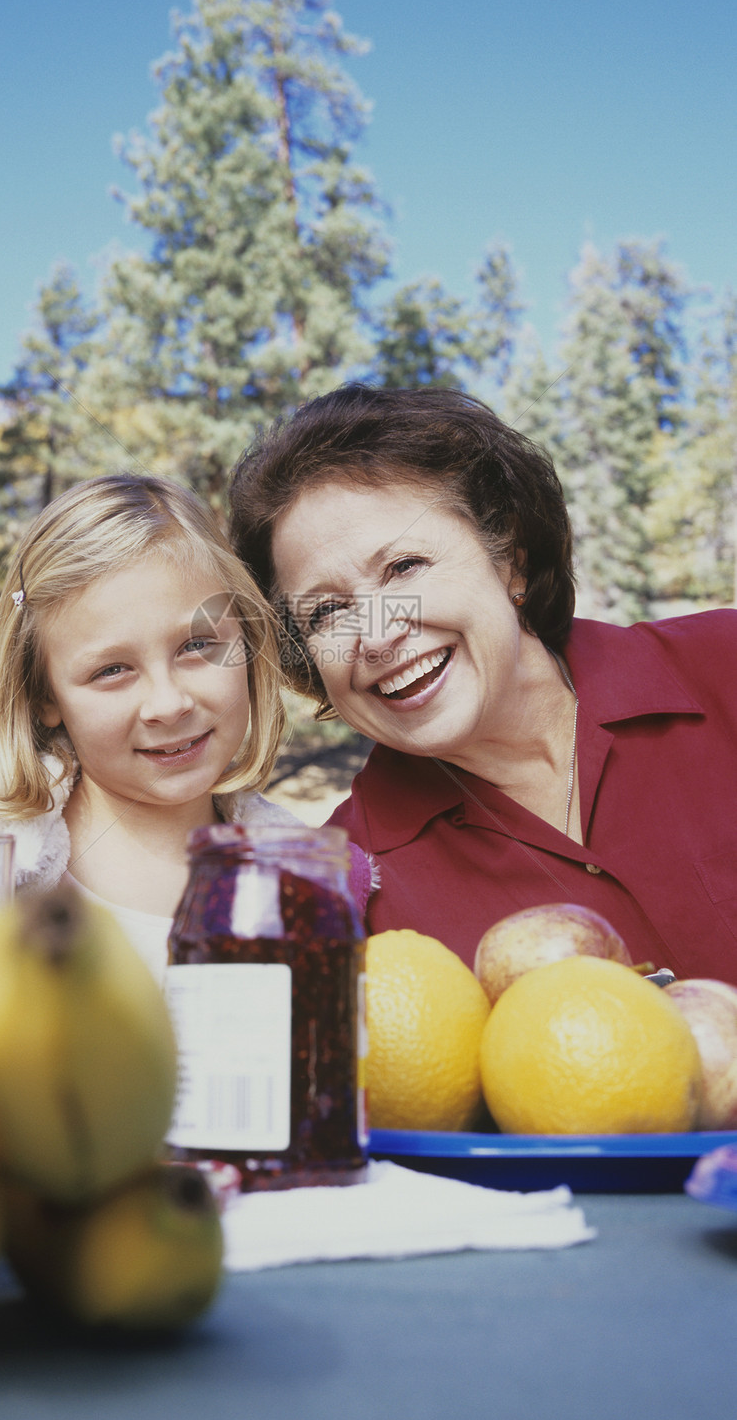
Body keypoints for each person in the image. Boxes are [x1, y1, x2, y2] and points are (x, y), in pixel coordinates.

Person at [228, 382, 737, 987]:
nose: (377, 635)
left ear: (509, 559)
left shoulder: (721, 666)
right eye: (326, 612)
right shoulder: (344, 890)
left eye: (404, 567)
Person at [0, 473, 370, 987]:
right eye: (111, 670)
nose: (168, 704)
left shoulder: (315, 893)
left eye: (196, 646)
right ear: (44, 696)